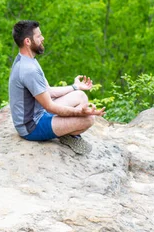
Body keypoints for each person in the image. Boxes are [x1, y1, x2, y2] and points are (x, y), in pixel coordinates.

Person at [8, 20, 105, 155]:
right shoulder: (28, 69)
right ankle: (67, 133)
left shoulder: (28, 60)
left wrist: (75, 86)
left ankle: (65, 131)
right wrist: (80, 113)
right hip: (31, 127)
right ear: (28, 42)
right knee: (89, 119)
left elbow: (49, 91)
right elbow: (50, 107)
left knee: (81, 95)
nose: (43, 38)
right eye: (39, 36)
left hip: (41, 113)